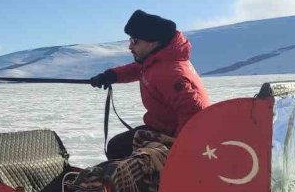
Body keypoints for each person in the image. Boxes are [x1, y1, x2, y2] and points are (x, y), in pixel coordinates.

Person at [89, 10, 210, 159]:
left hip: (173, 133)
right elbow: (137, 69)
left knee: (117, 149)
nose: (130, 47)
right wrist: (110, 76)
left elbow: (194, 110)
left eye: (135, 41)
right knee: (117, 146)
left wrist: (180, 149)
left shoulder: (169, 73)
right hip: (163, 126)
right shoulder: (158, 59)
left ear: (152, 41)